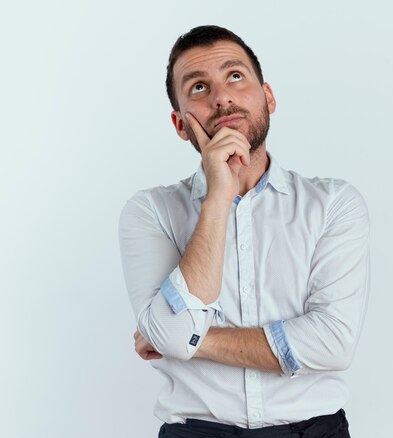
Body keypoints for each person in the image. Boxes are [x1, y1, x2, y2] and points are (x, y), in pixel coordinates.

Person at [118, 25, 370, 438]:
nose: (222, 96)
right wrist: (219, 195)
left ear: (268, 98)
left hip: (314, 432)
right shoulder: (150, 212)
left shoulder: (332, 204)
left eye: (235, 76)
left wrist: (188, 340)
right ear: (181, 124)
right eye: (199, 87)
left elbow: (333, 342)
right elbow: (171, 335)